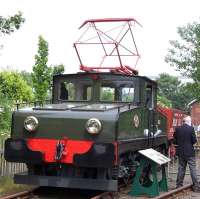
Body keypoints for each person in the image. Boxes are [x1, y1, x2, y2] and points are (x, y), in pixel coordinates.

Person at [174, 116, 200, 192]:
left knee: (181, 169)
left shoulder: (178, 129)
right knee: (193, 169)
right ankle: (196, 187)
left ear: (183, 121)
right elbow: (194, 141)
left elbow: (175, 139)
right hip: (190, 152)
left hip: (181, 152)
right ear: (189, 122)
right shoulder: (191, 129)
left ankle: (179, 186)